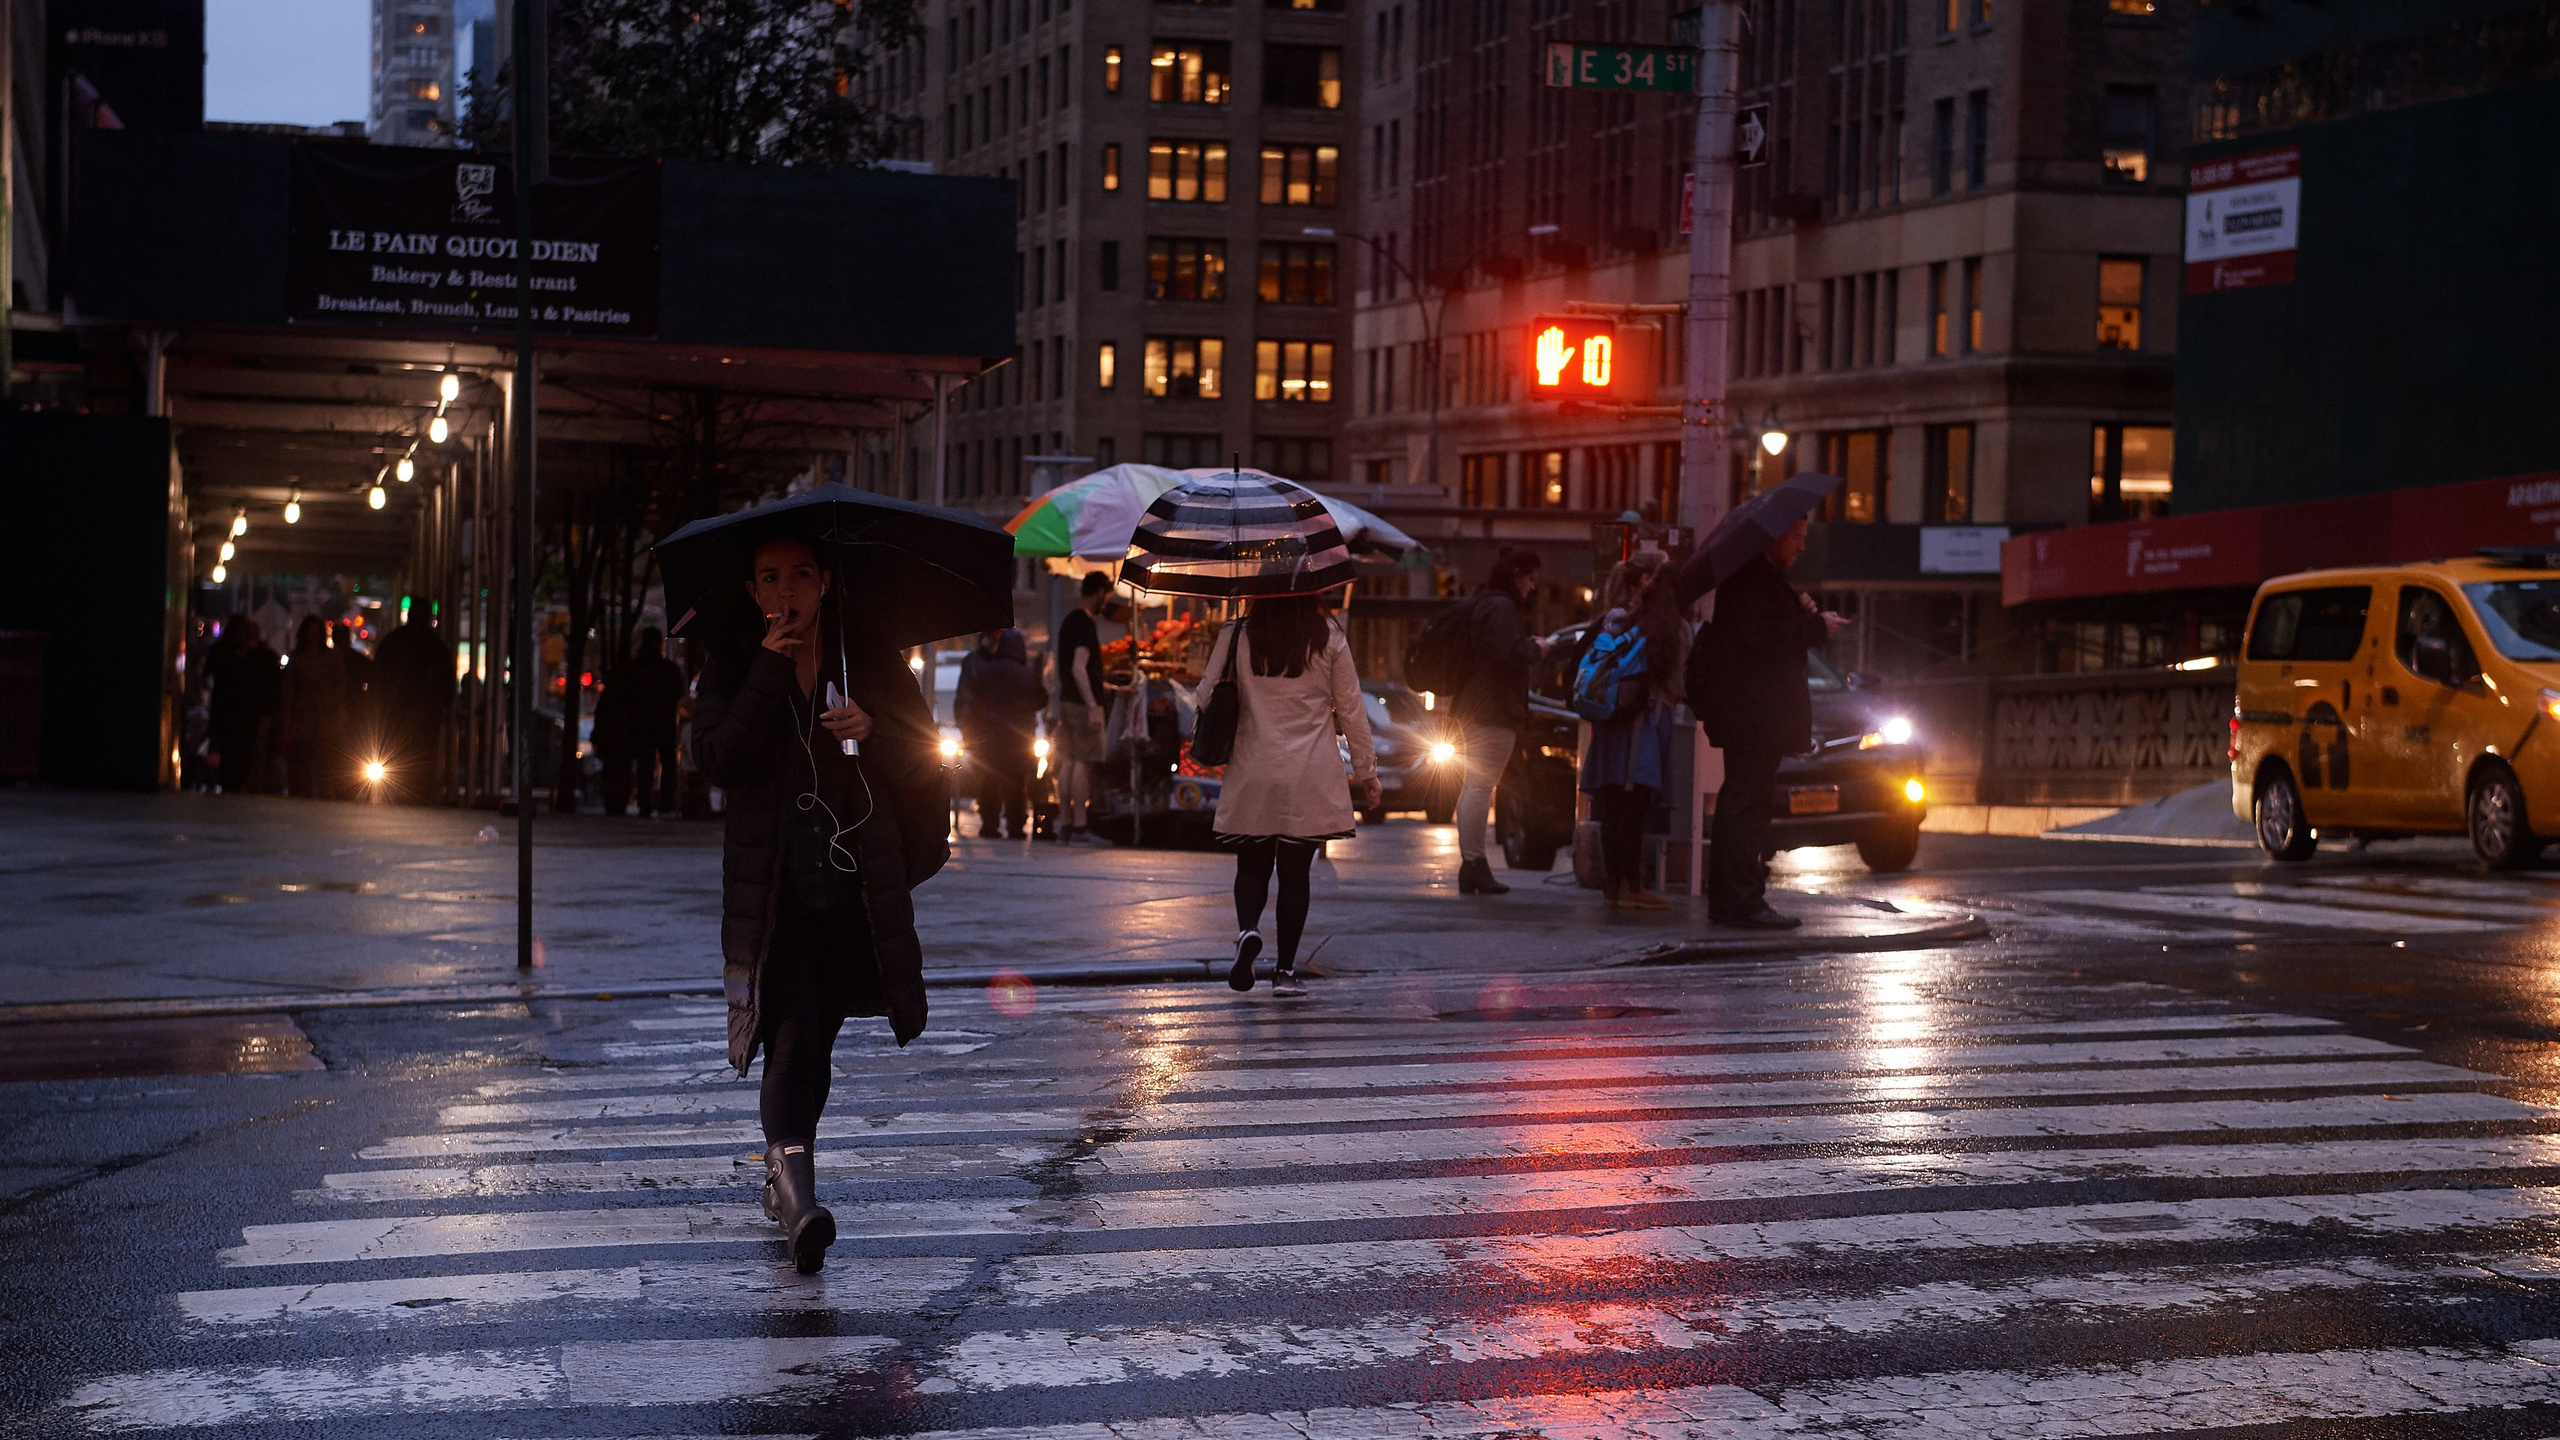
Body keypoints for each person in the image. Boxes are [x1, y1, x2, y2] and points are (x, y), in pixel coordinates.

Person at [689, 534, 950, 1273]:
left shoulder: (865, 658)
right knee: (794, 1031)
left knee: (817, 1038)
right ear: (753, 591)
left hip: (850, 887)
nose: (787, 592)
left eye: (801, 575)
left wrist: (875, 731)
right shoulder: (734, 658)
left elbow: (929, 758)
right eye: (771, 578)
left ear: (826, 582)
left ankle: (787, 1179)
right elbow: (716, 757)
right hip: (774, 893)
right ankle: (800, 1201)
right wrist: (768, 668)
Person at [1201, 592, 1379, 997]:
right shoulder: (1328, 636)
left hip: (1254, 766)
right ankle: (1284, 972)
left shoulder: (1237, 633)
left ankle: (1248, 931)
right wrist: (1367, 771)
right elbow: (1351, 708)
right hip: (1310, 772)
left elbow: (1205, 694)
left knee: (1252, 864)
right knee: (1296, 873)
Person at [1692, 516, 1849, 928]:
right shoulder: (1751, 581)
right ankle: (1742, 901)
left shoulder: (1761, 579)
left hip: (1754, 715)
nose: (1801, 547)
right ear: (1776, 537)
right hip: (1753, 715)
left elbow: (1768, 631)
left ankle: (1733, 899)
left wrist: (1802, 613)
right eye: (1796, 537)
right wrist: (1814, 626)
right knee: (1747, 807)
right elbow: (1762, 640)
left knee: (1744, 804)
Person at [1577, 550, 1690, 910]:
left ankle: (1614, 884)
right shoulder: (1671, 628)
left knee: (1611, 806)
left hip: (1611, 723)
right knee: (1634, 807)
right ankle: (1632, 885)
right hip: (1644, 726)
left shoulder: (1616, 620)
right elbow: (1678, 684)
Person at [1448, 549, 1549, 896]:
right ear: (1516, 575)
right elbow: (1509, 653)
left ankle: (1473, 864)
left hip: (1477, 705)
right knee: (1479, 787)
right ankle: (1473, 863)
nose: (1532, 587)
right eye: (1530, 579)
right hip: (1492, 709)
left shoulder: (1485, 603)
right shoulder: (1502, 608)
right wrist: (1537, 648)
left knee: (1475, 786)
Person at [955, 628, 1045, 838]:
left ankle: (989, 824)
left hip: (990, 736)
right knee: (1016, 782)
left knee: (989, 781)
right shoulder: (1026, 674)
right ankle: (1015, 825)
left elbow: (974, 702)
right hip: (1018, 737)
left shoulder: (986, 672)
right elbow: (1040, 700)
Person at [1051, 571, 1114, 843]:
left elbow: (1067, 668)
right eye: (1106, 596)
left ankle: (1066, 823)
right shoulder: (1085, 624)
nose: (1105, 602)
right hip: (1081, 703)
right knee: (1082, 762)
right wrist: (1092, 705)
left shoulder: (1068, 621)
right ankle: (1080, 826)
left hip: (1066, 701)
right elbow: (1079, 667)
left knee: (1067, 759)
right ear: (1100, 592)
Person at [372, 611, 455, 804]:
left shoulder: (395, 640)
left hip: (397, 704)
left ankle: (397, 785)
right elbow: (446, 677)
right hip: (424, 707)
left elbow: (378, 671)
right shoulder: (434, 644)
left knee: (396, 745)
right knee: (423, 748)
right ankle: (420, 788)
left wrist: (378, 700)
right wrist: (443, 702)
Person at [613, 627, 688, 817]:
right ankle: (665, 802)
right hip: (663, 723)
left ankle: (645, 802)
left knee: (645, 765)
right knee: (667, 763)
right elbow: (678, 694)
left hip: (641, 723)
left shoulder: (635, 669)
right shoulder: (668, 670)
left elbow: (626, 695)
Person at [204, 618, 280, 794]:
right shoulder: (222, 650)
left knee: (245, 748)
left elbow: (267, 676)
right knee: (228, 747)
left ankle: (239, 782)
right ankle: (229, 782)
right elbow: (214, 670)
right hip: (228, 709)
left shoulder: (258, 653)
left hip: (247, 710)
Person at [280, 616, 346, 799]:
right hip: (303, 716)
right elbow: (288, 688)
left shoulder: (332, 657)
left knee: (324, 757)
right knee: (303, 756)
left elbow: (340, 684)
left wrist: (333, 704)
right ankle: (304, 790)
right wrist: (288, 717)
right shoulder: (297, 658)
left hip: (326, 716)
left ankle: (324, 789)